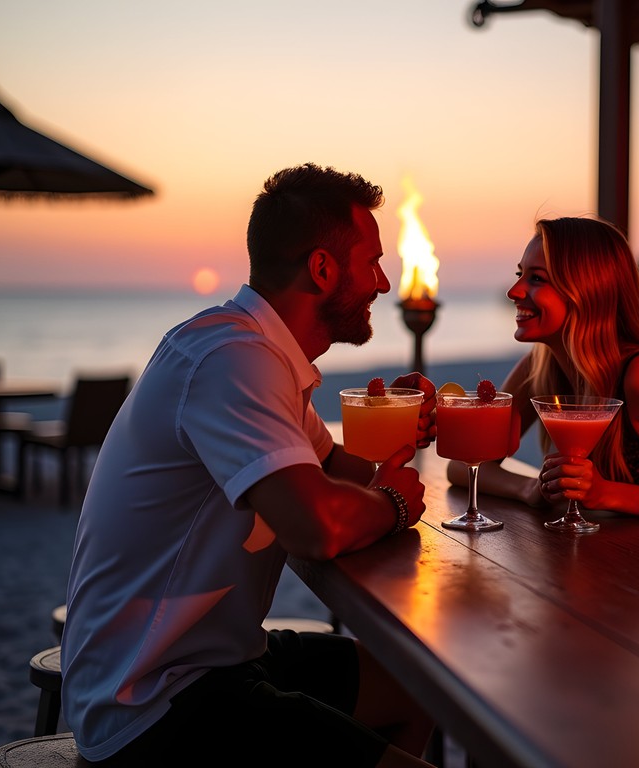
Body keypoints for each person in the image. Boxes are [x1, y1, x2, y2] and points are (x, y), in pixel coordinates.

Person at [61, 164, 437, 767]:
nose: (384, 283)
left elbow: (340, 470)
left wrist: (397, 422)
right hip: (151, 700)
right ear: (322, 268)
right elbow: (316, 525)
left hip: (218, 657)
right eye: (371, 262)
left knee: (423, 688)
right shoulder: (234, 360)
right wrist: (392, 505)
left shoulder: (261, 355)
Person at [450, 215, 639, 533]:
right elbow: (466, 466)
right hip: (607, 563)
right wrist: (529, 489)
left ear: (586, 290)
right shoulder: (540, 365)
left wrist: (605, 493)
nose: (514, 291)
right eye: (520, 274)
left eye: (537, 279)